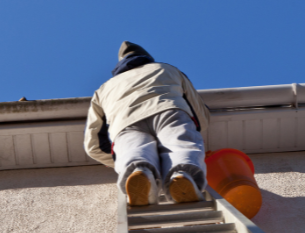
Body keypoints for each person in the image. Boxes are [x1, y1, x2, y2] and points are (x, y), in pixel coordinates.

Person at [84, 41, 210, 206]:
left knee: (133, 152)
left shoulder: (103, 89)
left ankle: (140, 173)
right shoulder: (168, 69)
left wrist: (116, 157)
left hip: (125, 123)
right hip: (169, 111)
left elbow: (93, 145)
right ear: (148, 58)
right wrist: (197, 128)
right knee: (180, 146)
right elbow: (199, 112)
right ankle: (182, 176)